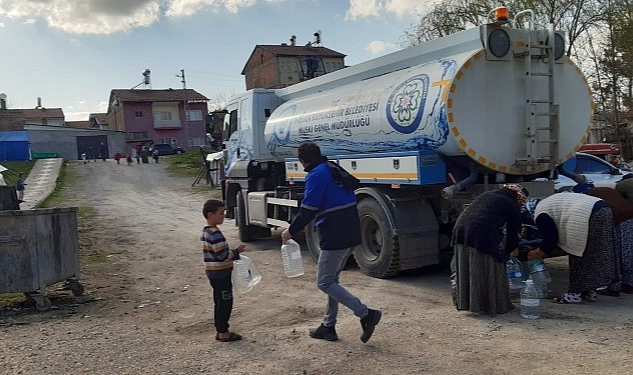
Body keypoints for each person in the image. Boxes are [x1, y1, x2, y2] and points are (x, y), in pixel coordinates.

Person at [280, 141, 381, 343]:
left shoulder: (316, 174)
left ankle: (366, 313)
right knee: (332, 281)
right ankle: (328, 326)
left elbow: (309, 208)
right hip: (351, 228)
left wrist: (290, 231)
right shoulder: (331, 167)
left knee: (324, 282)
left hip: (336, 232)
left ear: (302, 161)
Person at [451, 183, 528, 315]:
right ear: (520, 197)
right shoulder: (512, 204)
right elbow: (513, 233)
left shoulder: (489, 194)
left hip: (461, 230)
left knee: (468, 268)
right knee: (493, 267)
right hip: (481, 233)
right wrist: (508, 252)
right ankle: (494, 305)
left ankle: (469, 303)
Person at [525, 192, 616, 304]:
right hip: (604, 210)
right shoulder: (547, 203)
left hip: (585, 215)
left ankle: (574, 295)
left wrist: (538, 253)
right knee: (593, 253)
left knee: (577, 254)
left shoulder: (540, 214)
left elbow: (551, 239)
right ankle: (589, 291)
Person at [201, 199, 246, 342]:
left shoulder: (206, 232)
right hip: (221, 274)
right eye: (220, 213)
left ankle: (220, 329)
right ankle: (223, 331)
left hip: (213, 273)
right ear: (210, 214)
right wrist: (236, 252)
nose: (223, 216)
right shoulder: (215, 234)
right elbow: (222, 256)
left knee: (219, 301)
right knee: (225, 302)